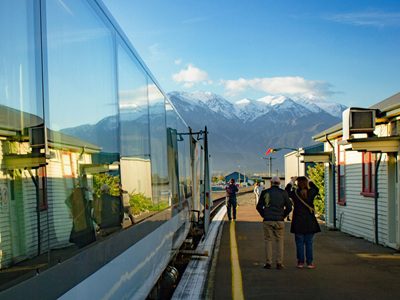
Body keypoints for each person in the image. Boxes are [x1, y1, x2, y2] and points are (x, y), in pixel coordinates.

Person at [256, 176, 292, 270]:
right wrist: (283, 216)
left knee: (268, 240)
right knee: (279, 241)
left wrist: (264, 215)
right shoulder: (283, 193)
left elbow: (259, 206)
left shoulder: (265, 192)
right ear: (279, 183)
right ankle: (279, 263)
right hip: (279, 220)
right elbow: (289, 207)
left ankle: (268, 263)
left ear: (271, 183)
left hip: (268, 220)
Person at [285, 176, 321, 269]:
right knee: (309, 243)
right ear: (307, 183)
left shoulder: (295, 193)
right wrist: (310, 180)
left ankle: (300, 262)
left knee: (299, 243)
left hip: (298, 221)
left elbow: (286, 191)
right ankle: (310, 263)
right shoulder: (311, 192)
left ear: (297, 184)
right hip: (310, 222)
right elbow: (316, 189)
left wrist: (291, 181)